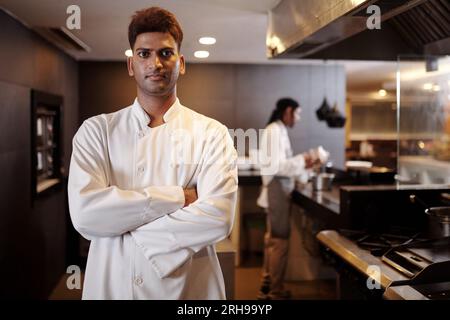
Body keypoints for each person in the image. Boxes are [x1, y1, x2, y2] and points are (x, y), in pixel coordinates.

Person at [67, 7, 238, 300]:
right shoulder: (96, 131)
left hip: (189, 290)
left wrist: (126, 228)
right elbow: (85, 215)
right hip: (113, 286)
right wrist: (178, 197)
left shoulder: (212, 133)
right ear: (131, 64)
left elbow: (219, 216)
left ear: (181, 63)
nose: (155, 63)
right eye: (144, 54)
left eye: (166, 53)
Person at [256, 98, 327, 300]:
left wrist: (303, 163)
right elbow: (277, 167)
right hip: (276, 190)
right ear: (288, 111)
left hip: (279, 190)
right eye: (297, 113)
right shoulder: (274, 130)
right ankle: (275, 292)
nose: (298, 117)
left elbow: (284, 164)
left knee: (273, 240)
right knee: (279, 242)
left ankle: (267, 283)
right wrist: (303, 160)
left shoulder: (279, 130)